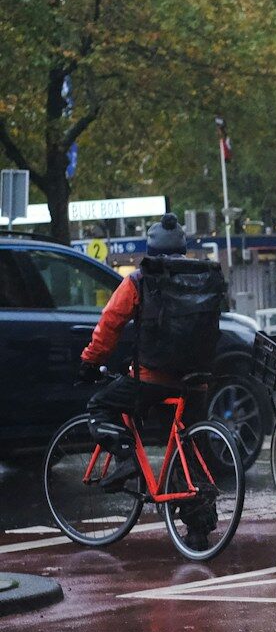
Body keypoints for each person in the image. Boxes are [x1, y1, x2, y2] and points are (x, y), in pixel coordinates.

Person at [79, 213, 225, 550]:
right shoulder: (205, 276)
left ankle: (127, 460)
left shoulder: (140, 280)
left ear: (151, 247)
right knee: (191, 449)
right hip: (195, 382)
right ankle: (199, 529)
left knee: (100, 406)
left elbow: (110, 323)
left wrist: (91, 360)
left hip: (151, 379)